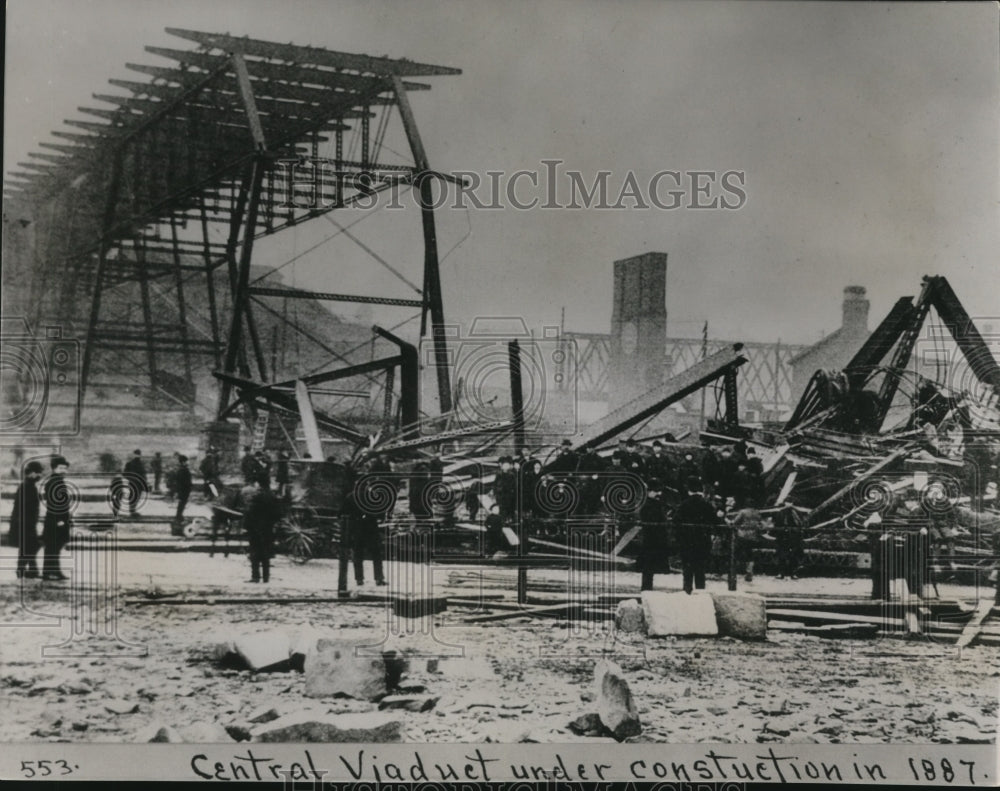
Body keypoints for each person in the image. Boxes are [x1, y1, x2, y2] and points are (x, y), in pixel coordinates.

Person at [673, 476, 718, 594]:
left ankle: (687, 592)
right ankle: (700, 594)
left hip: (687, 542)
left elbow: (676, 522)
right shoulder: (707, 505)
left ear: (689, 490)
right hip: (702, 541)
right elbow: (715, 521)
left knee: (687, 571)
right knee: (700, 570)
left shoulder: (683, 505)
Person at [240, 474, 281, 583]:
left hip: (255, 529)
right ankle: (266, 577)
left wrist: (245, 526)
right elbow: (278, 513)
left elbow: (250, 512)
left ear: (259, 484)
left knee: (254, 553)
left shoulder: (257, 496)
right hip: (268, 529)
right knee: (266, 553)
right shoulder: (273, 497)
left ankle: (255, 576)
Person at [42, 455, 73, 581]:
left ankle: (54, 570)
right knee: (53, 546)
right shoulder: (53, 482)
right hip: (56, 520)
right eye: (61, 468)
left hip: (58, 519)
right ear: (54, 468)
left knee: (56, 546)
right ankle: (49, 572)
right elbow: (53, 503)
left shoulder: (58, 481)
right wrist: (59, 519)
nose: (63, 471)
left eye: (65, 468)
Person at [12, 460, 44, 579]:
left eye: (40, 473)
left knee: (27, 547)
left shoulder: (28, 486)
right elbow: (23, 508)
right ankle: (25, 569)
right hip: (25, 524)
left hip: (27, 523)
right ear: (29, 473)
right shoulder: (27, 487)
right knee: (31, 546)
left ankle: (28, 569)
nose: (39, 475)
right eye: (37, 473)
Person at [638, 484, 670, 591]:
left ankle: (647, 588)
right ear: (649, 492)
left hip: (650, 538)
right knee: (649, 566)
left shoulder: (650, 504)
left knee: (648, 567)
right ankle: (647, 589)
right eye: (656, 491)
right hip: (652, 538)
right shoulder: (652, 505)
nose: (658, 494)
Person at [123, 449, 148, 516]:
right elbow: (125, 474)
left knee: (134, 496)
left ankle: (132, 510)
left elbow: (125, 474)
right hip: (137, 482)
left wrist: (130, 479)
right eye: (138, 454)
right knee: (135, 496)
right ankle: (132, 511)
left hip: (134, 482)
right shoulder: (137, 464)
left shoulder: (131, 463)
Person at [174, 455, 193, 525]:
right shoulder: (183, 470)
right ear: (183, 462)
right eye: (186, 461)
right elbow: (184, 481)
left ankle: (179, 516)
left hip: (183, 489)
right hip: (184, 489)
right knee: (182, 503)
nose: (187, 462)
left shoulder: (181, 469)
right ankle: (178, 517)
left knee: (182, 503)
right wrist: (189, 486)